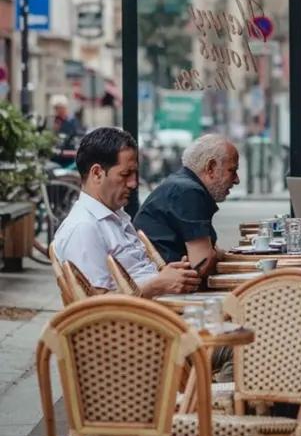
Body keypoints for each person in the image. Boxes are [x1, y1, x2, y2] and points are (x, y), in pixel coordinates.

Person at [52, 127, 201, 296]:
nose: (133, 183)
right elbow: (95, 304)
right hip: (144, 312)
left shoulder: (114, 216)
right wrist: (157, 285)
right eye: (125, 174)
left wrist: (170, 276)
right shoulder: (83, 228)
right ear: (97, 173)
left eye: (134, 173)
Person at [134, 133, 239, 277]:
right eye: (232, 171)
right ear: (210, 167)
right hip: (167, 287)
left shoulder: (183, 186)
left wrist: (215, 253)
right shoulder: (188, 191)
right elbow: (203, 265)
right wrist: (215, 254)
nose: (237, 180)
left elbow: (209, 255)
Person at [49, 95, 82, 167]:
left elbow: (75, 138)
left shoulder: (72, 121)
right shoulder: (54, 121)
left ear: (64, 108)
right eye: (55, 108)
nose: (56, 110)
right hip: (56, 157)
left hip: (68, 158)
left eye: (58, 108)